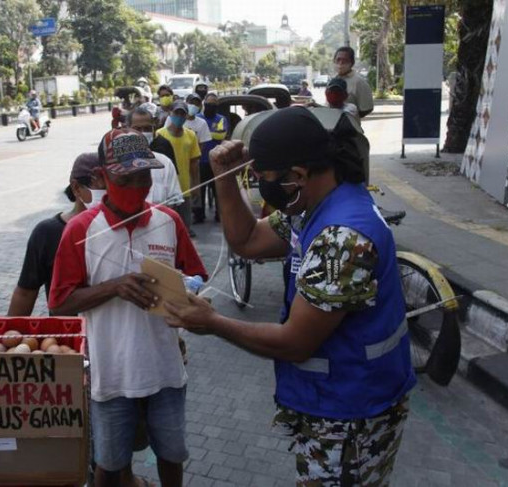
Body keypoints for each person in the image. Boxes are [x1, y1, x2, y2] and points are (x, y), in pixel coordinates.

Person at [164, 107, 415, 486]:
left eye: (264, 180)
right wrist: (225, 178)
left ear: (297, 176)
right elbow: (247, 240)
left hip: (350, 415)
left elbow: (295, 343)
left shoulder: (342, 239)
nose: (263, 188)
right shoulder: (314, 205)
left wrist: (212, 323)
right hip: (333, 403)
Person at [48, 129, 207, 487]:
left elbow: (196, 275)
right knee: (109, 463)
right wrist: (115, 287)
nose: (138, 187)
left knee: (172, 455)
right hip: (111, 374)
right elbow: (58, 303)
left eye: (144, 177)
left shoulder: (169, 221)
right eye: (127, 179)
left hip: (166, 369)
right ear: (102, 177)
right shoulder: (80, 230)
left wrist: (195, 298)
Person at [7, 153, 105, 316]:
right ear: (76, 188)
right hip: (68, 336)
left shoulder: (118, 228)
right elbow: (25, 292)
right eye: (99, 188)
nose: (107, 194)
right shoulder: (47, 233)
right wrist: (9, 334)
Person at [156, 100, 201, 237]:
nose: (180, 116)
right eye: (177, 113)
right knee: (167, 228)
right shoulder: (160, 134)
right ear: (170, 113)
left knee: (185, 227)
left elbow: (194, 163)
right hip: (166, 188)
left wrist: (196, 185)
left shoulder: (191, 135)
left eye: (183, 114)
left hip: (185, 188)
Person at [127, 106, 184, 208]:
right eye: (137, 129)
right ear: (127, 129)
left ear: (154, 129)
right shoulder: (116, 162)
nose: (142, 133)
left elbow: (174, 201)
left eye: (147, 129)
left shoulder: (165, 163)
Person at [195, 93, 228, 222]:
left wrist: (203, 133)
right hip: (200, 160)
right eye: (208, 104)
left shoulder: (221, 119)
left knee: (218, 190)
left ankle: (219, 214)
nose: (211, 106)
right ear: (204, 104)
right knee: (199, 190)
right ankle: (199, 215)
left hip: (217, 160)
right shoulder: (197, 118)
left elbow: (221, 135)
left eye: (213, 104)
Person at [334, 46, 374, 118]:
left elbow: (367, 108)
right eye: (338, 60)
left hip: (350, 128)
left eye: (344, 60)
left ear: (352, 63)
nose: (340, 63)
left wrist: (350, 117)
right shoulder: (332, 81)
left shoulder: (359, 82)